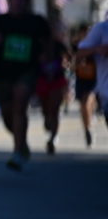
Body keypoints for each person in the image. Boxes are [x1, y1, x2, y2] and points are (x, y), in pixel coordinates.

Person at [0, 0, 50, 171]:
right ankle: (21, 140)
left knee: (20, 103)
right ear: (9, 0)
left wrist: (45, 57)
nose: (18, 2)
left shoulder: (36, 22)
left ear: (27, 1)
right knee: (8, 114)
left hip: (27, 72)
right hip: (2, 75)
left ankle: (16, 153)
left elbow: (49, 43)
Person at [35, 24, 70, 154]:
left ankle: (53, 138)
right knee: (46, 108)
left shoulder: (60, 45)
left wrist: (66, 64)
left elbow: (70, 58)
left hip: (57, 80)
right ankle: (46, 118)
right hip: (42, 79)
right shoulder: (38, 46)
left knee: (55, 109)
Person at [74, 15, 108, 134]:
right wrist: (97, 49)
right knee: (84, 101)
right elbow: (78, 54)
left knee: (88, 99)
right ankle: (87, 127)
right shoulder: (101, 29)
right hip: (99, 87)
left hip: (95, 82)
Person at [71, 23, 99, 147]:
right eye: (84, 32)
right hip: (81, 79)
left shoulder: (96, 45)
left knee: (87, 100)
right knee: (83, 104)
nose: (87, 35)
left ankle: (91, 116)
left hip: (93, 79)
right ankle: (87, 129)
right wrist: (76, 63)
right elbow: (71, 64)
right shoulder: (76, 46)